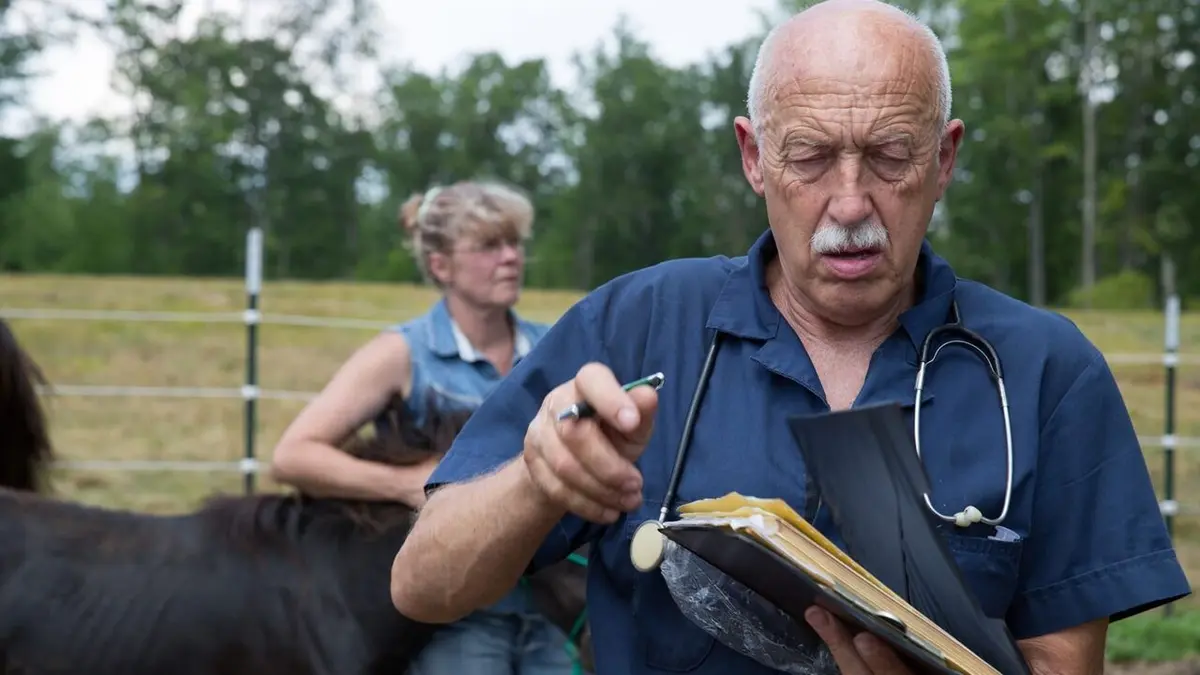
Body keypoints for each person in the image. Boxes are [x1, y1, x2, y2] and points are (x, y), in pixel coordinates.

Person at [389, 2, 1193, 674]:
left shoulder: (1045, 370)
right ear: (755, 156)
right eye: (809, 155)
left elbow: (1064, 659)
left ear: (944, 159)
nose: (849, 203)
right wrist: (536, 479)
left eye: (889, 156)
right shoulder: (634, 323)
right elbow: (425, 586)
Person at [269, 179, 580, 675]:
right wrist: (407, 482)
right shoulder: (402, 353)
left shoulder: (554, 347)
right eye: (488, 246)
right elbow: (294, 456)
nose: (510, 257)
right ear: (441, 266)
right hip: (452, 617)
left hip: (557, 609)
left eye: (515, 243)